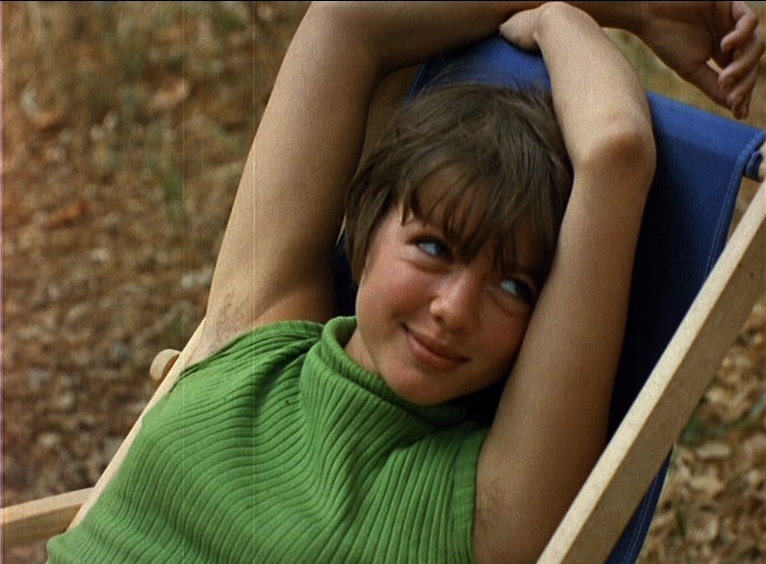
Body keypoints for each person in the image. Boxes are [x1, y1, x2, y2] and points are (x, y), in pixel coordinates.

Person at [47, 2, 763, 563]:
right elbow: (346, 21)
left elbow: (615, 152)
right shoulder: (255, 337)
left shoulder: (492, 509)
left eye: (513, 287)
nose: (454, 309)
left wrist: (558, 20)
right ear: (364, 226)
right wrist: (629, 7)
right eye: (433, 247)